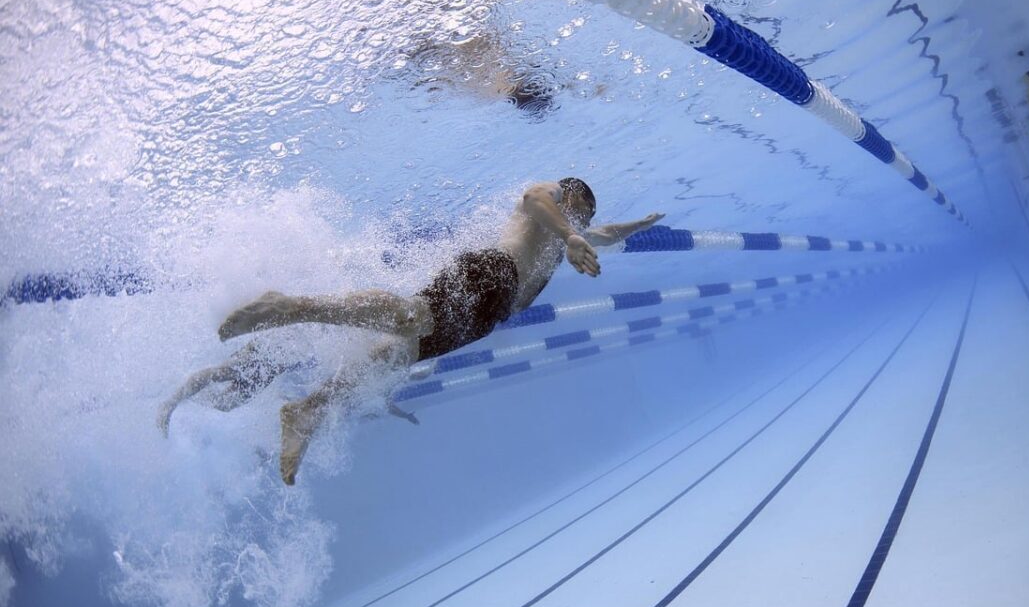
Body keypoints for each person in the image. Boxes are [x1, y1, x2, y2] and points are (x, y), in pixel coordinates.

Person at [164, 178, 663, 486]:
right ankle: (288, 307)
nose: (580, 220)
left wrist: (637, 225)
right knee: (409, 318)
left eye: (582, 218)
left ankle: (307, 409)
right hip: (491, 272)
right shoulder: (551, 205)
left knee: (392, 357)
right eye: (577, 209)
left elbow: (603, 234)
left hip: (486, 317)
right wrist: (571, 232)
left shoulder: (567, 239)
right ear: (569, 196)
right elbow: (535, 199)